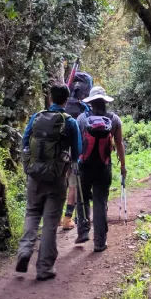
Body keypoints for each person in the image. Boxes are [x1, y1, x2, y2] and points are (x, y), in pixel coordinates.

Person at [16, 82, 82, 281]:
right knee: (50, 223)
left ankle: (24, 252)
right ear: (66, 99)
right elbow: (77, 152)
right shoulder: (69, 122)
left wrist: (31, 164)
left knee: (32, 213)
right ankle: (44, 268)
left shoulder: (37, 117)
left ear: (51, 98)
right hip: (56, 178)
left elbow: (25, 141)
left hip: (35, 176)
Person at [75, 86, 127, 252]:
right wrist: (123, 166)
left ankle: (83, 230)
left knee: (82, 198)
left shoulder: (81, 118)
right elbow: (119, 144)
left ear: (90, 102)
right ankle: (99, 242)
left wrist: (72, 163)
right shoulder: (114, 119)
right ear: (105, 101)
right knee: (100, 201)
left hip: (84, 166)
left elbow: (76, 144)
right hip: (104, 167)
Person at [61, 71, 92, 231]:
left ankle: (55, 217)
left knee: (60, 185)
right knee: (73, 185)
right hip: (74, 153)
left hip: (58, 153)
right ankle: (67, 219)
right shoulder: (83, 108)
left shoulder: (63, 105)